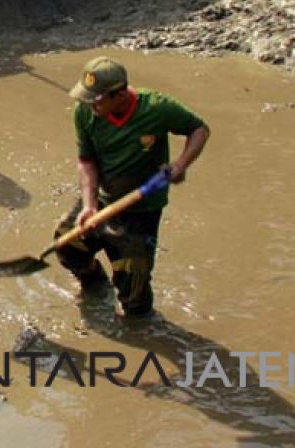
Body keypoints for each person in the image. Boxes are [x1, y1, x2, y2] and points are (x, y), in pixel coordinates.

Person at [53, 56, 210, 319]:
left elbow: (199, 129)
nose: (90, 104)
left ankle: (139, 322)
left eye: (97, 99)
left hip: (141, 208)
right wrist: (90, 204)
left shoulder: (158, 108)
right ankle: (95, 284)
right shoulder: (85, 112)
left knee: (134, 294)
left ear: (120, 94)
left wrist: (181, 164)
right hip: (102, 198)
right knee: (66, 245)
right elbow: (87, 160)